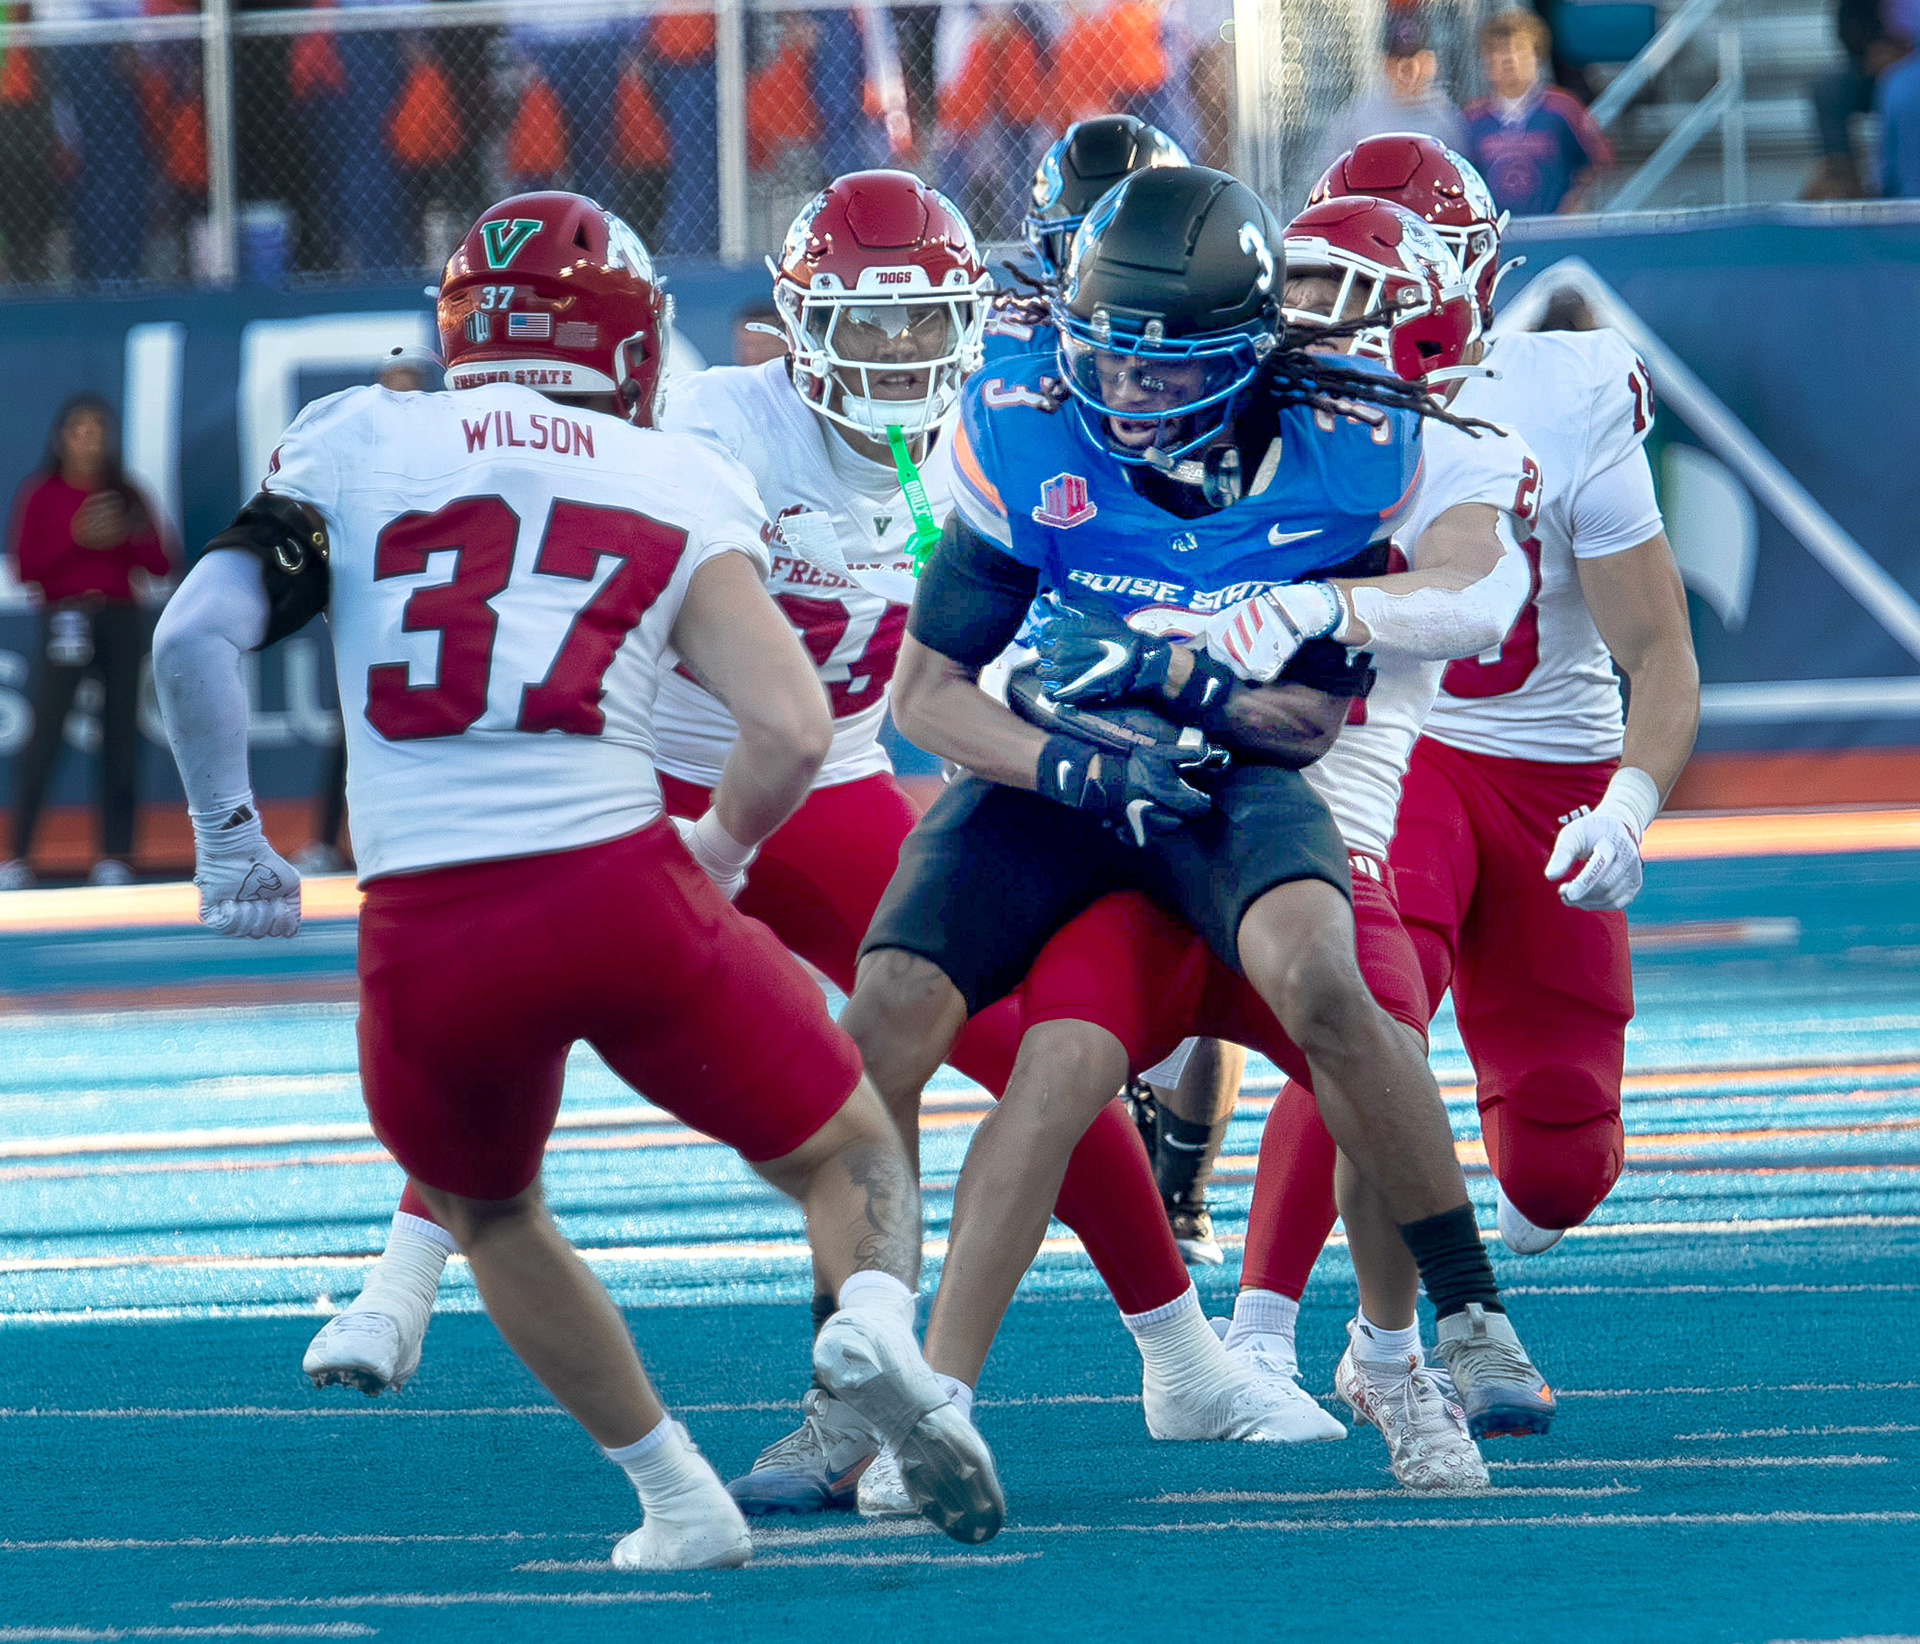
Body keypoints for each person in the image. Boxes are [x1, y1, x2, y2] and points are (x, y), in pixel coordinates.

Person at [303, 175, 1296, 1530]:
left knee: (1023, 1040)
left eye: (919, 331)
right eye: (866, 331)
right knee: (522, 1006)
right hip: (648, 774)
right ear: (792, 326)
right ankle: (402, 1276)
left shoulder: (999, 432)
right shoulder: (708, 427)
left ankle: (1181, 1359)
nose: (897, 362)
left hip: (822, 776)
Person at [151, 190, 1004, 1558]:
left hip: (427, 920)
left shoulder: (362, 435)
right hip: (619, 878)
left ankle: (672, 1495)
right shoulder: (667, 467)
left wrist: (229, 839)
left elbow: (195, 638)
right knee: (851, 1148)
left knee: (501, 1212)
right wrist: (716, 855)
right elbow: (789, 728)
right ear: (629, 342)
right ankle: (878, 1337)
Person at [830, 168, 1555, 1527]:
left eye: (1172, 368)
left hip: (1245, 787)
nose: (1132, 391)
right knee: (895, 1021)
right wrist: (1074, 760)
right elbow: (928, 697)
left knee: (1344, 998)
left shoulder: (1368, 442)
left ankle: (1453, 1323)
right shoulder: (1029, 418)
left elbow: (1361, 675)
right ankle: (871, 1374)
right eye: (1109, 356)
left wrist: (1256, 638)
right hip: (1070, 789)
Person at [1217, 133, 1696, 1425]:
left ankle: (1466, 1229)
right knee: (1366, 1001)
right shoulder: (1281, 393)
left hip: (1550, 766)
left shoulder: (1568, 388)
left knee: (1561, 1164)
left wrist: (1629, 806)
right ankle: (1264, 1329)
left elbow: (1659, 650)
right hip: (1403, 750)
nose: (1353, 311)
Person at [2, 395, 173, 890]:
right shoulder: (43, 493)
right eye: (80, 430)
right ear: (60, 438)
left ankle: (116, 854)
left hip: (120, 617)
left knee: (121, 734)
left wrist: (125, 535)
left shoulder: (127, 494)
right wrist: (77, 536)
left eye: (99, 430)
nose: (90, 440)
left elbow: (161, 563)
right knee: (46, 735)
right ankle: (18, 855)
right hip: (67, 617)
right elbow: (27, 569)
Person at [1463, 8, 1611, 216]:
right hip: (1496, 235)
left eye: (1519, 49)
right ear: (1486, 63)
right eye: (1499, 51)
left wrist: (1574, 205)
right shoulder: (1471, 118)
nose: (1509, 59)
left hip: (1554, 234)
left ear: (1536, 57)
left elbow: (1594, 163)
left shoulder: (1564, 107)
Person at [1309, 13, 1469, 183]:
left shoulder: (1449, 123)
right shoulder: (1357, 120)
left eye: (1417, 59)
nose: (1409, 70)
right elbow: (1323, 181)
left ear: (1430, 62)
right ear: (1384, 64)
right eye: (1398, 60)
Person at [1803, 0, 1913, 199]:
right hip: (1872, 70)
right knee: (1828, 88)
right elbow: (1848, 30)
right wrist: (1871, 52)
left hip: (1911, 71)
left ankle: (1900, 183)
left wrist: (1904, 57)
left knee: (1904, 88)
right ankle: (1841, 178)